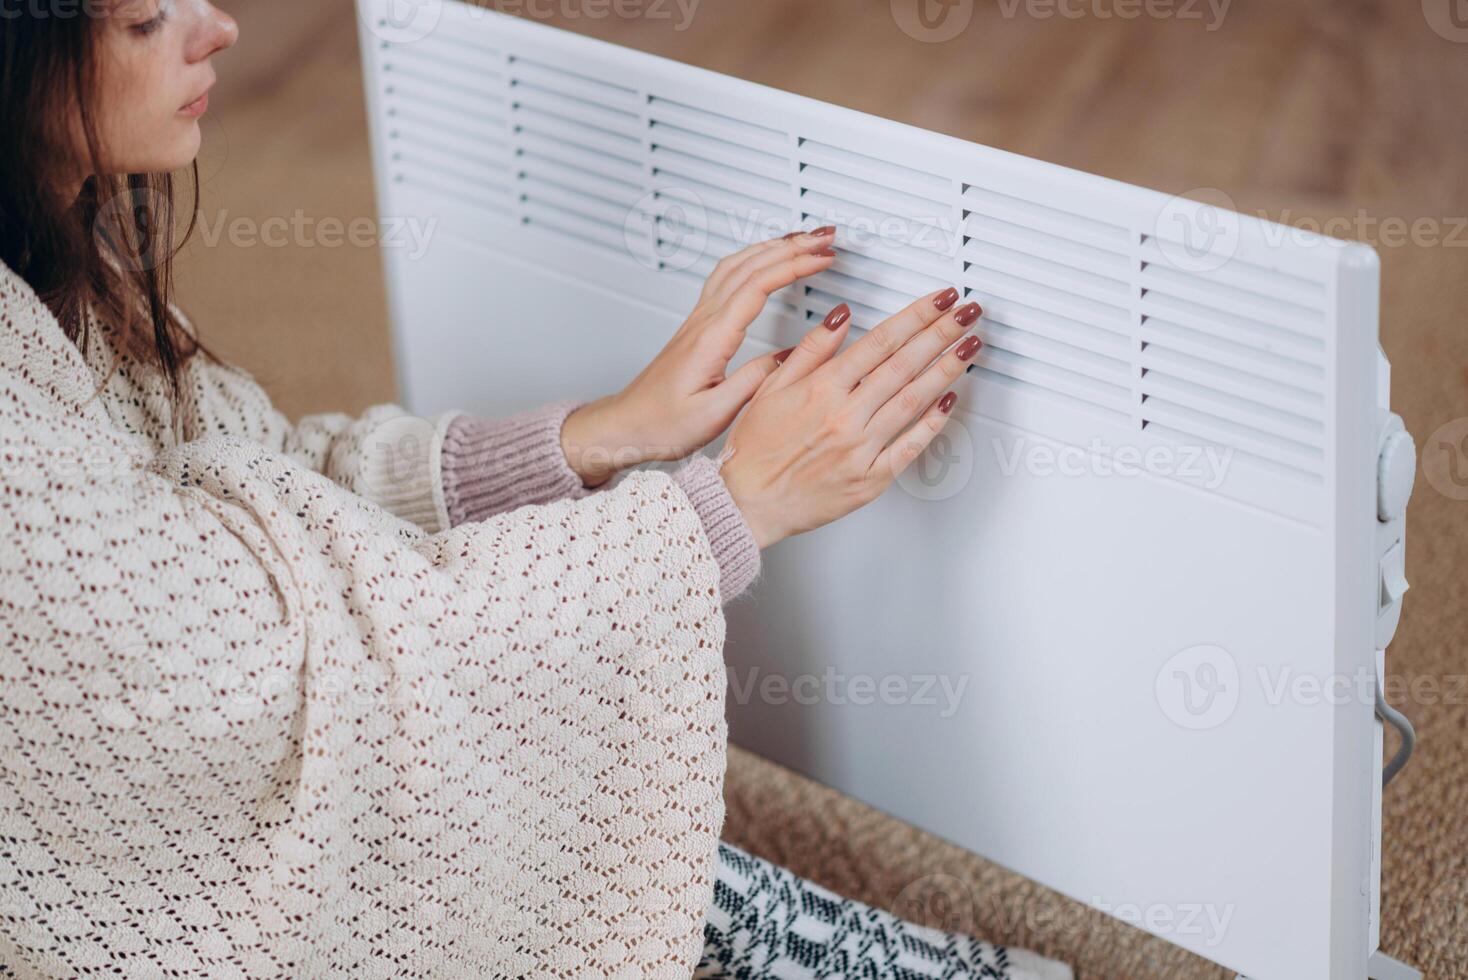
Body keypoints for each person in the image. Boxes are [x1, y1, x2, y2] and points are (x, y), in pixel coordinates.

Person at [0, 2, 1071, 978]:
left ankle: (753, 919)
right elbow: (279, 688)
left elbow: (264, 492)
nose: (218, 27)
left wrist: (605, 432)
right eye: (146, 18)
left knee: (602, 817)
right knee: (512, 798)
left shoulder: (58, 250)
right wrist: (734, 505)